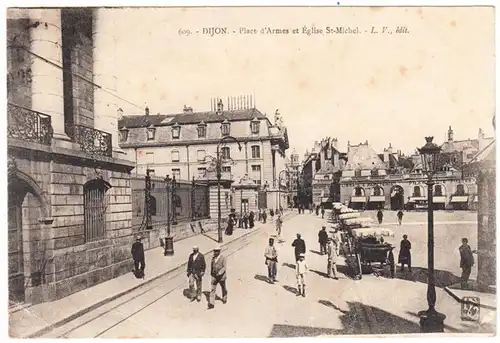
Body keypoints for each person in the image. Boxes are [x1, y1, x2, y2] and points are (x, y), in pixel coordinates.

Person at [208, 245, 227, 309]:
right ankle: (211, 303)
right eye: (214, 251)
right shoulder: (213, 258)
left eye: (216, 251)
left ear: (219, 252)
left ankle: (224, 298)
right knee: (212, 289)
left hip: (221, 277)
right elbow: (212, 266)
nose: (215, 253)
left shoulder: (223, 258)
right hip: (214, 277)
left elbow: (224, 268)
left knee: (223, 287)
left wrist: (219, 273)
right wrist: (212, 274)